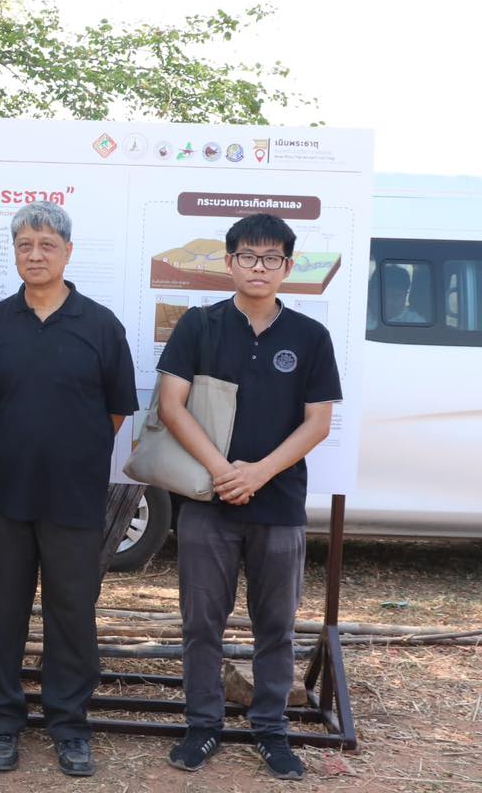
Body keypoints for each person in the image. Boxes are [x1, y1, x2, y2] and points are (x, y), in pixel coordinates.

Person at [157, 213, 341, 780]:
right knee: (201, 622)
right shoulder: (200, 326)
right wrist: (222, 472)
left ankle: (271, 730)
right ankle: (202, 725)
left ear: (287, 267)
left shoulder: (310, 337)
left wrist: (258, 473)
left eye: (270, 258)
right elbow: (170, 405)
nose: (258, 267)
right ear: (229, 261)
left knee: (276, 626)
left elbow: (318, 424)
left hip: (279, 504)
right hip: (206, 504)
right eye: (247, 256)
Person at [0, 201, 137, 778]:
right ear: (15, 253)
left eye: (47, 244)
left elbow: (118, 411)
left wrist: (70, 447)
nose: (35, 254)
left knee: (71, 612)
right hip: (6, 493)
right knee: (2, 610)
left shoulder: (100, 324)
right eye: (25, 245)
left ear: (69, 252)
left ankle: (68, 723)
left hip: (73, 495)